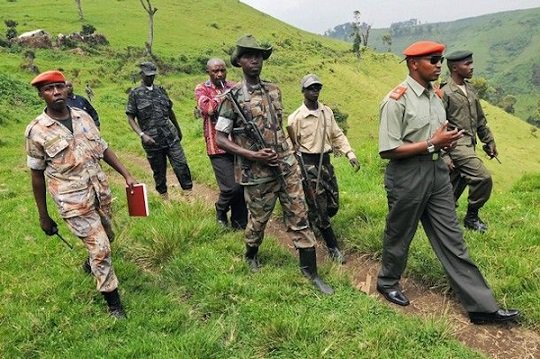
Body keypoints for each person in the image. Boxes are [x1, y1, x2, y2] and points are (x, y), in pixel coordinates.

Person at [376, 41, 519, 324]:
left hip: (438, 173)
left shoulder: (436, 97)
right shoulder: (396, 100)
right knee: (400, 233)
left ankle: (481, 307)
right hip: (407, 176)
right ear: (414, 64)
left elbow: (438, 135)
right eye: (433, 60)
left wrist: (444, 145)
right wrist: (433, 143)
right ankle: (387, 281)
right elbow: (387, 150)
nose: (439, 65)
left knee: (453, 239)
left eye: (440, 60)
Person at [215, 35, 333, 295]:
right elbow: (220, 138)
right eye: (248, 56)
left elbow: (278, 128)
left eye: (258, 55)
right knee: (258, 220)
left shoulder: (274, 90)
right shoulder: (231, 98)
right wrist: (253, 155)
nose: (254, 60)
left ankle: (310, 273)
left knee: (299, 215)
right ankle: (250, 254)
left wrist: (291, 155)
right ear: (240, 61)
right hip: (257, 172)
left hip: (287, 165)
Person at [25, 70, 137, 318]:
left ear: (66, 89)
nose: (56, 92)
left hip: (100, 193)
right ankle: (113, 303)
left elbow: (103, 147)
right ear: (41, 94)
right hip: (73, 201)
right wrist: (43, 216)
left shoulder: (83, 116)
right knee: (101, 248)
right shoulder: (36, 131)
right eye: (48, 89)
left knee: (108, 236)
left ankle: (91, 263)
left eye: (59, 87)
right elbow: (36, 175)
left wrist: (126, 174)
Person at [287, 74, 360, 264]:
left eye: (317, 88)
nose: (315, 91)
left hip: (325, 163)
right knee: (321, 209)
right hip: (308, 166)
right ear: (303, 91)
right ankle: (333, 247)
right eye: (311, 88)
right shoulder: (295, 118)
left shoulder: (326, 112)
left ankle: (311, 218)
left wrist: (349, 154)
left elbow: (337, 135)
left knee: (333, 205)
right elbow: (291, 145)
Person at [441, 51, 497, 232]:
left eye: (471, 63)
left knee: (453, 186)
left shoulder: (470, 89)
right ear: (455, 68)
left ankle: (440, 216)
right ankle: (472, 217)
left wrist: (489, 141)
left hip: (470, 144)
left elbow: (480, 120)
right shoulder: (444, 92)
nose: (472, 67)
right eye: (467, 64)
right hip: (455, 145)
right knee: (482, 178)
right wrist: (444, 154)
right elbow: (436, 125)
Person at [126, 61, 192, 199]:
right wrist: (142, 134)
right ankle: (164, 198)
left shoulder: (161, 91)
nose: (151, 78)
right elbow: (131, 118)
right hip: (152, 141)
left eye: (153, 75)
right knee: (159, 171)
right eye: (148, 75)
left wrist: (178, 130)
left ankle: (188, 195)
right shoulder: (135, 94)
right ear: (141, 74)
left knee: (181, 165)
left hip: (170, 136)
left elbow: (170, 111)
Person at [195, 58, 248, 229]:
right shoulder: (202, 88)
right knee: (230, 188)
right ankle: (220, 209)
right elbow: (208, 109)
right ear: (208, 72)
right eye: (215, 71)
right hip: (217, 146)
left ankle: (239, 223)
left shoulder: (233, 86)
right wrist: (225, 96)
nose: (219, 74)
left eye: (222, 70)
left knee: (241, 185)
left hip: (237, 144)